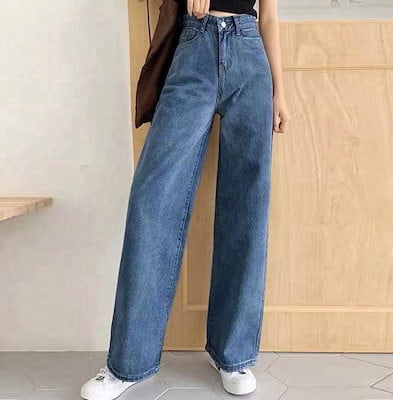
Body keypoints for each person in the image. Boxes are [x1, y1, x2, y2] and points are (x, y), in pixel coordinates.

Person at [81, 0, 289, 398]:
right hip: (194, 47)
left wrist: (280, 90)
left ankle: (233, 354)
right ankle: (128, 362)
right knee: (152, 199)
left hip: (251, 57)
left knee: (248, 207)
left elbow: (270, 17)